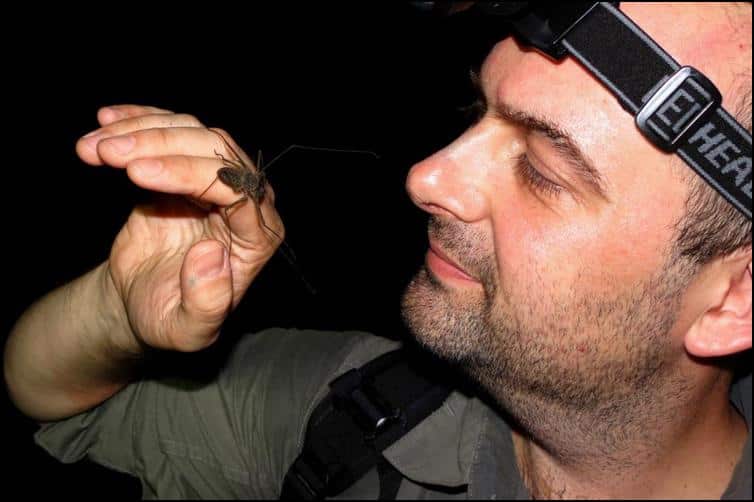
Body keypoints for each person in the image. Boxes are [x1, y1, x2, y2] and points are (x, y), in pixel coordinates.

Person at [4, 2, 751, 499]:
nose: (424, 176)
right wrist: (115, 314)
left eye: (543, 169)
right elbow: (59, 405)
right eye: (476, 112)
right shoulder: (358, 409)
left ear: (733, 298)